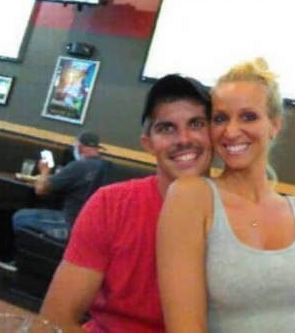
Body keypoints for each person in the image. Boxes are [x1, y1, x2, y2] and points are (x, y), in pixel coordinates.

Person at [157, 58, 295, 332]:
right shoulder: (192, 197)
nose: (231, 131)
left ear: (274, 125)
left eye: (248, 117)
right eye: (221, 119)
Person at [39, 75, 213, 333]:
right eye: (166, 128)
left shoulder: (239, 215)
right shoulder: (110, 205)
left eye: (196, 124)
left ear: (214, 135)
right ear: (148, 144)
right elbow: (54, 322)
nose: (183, 139)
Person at [0, 130, 109, 275]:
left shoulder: (79, 166)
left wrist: (45, 170)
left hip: (70, 222)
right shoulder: (105, 167)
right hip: (91, 227)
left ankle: (19, 263)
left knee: (20, 216)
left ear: (80, 147)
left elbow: (40, 189)